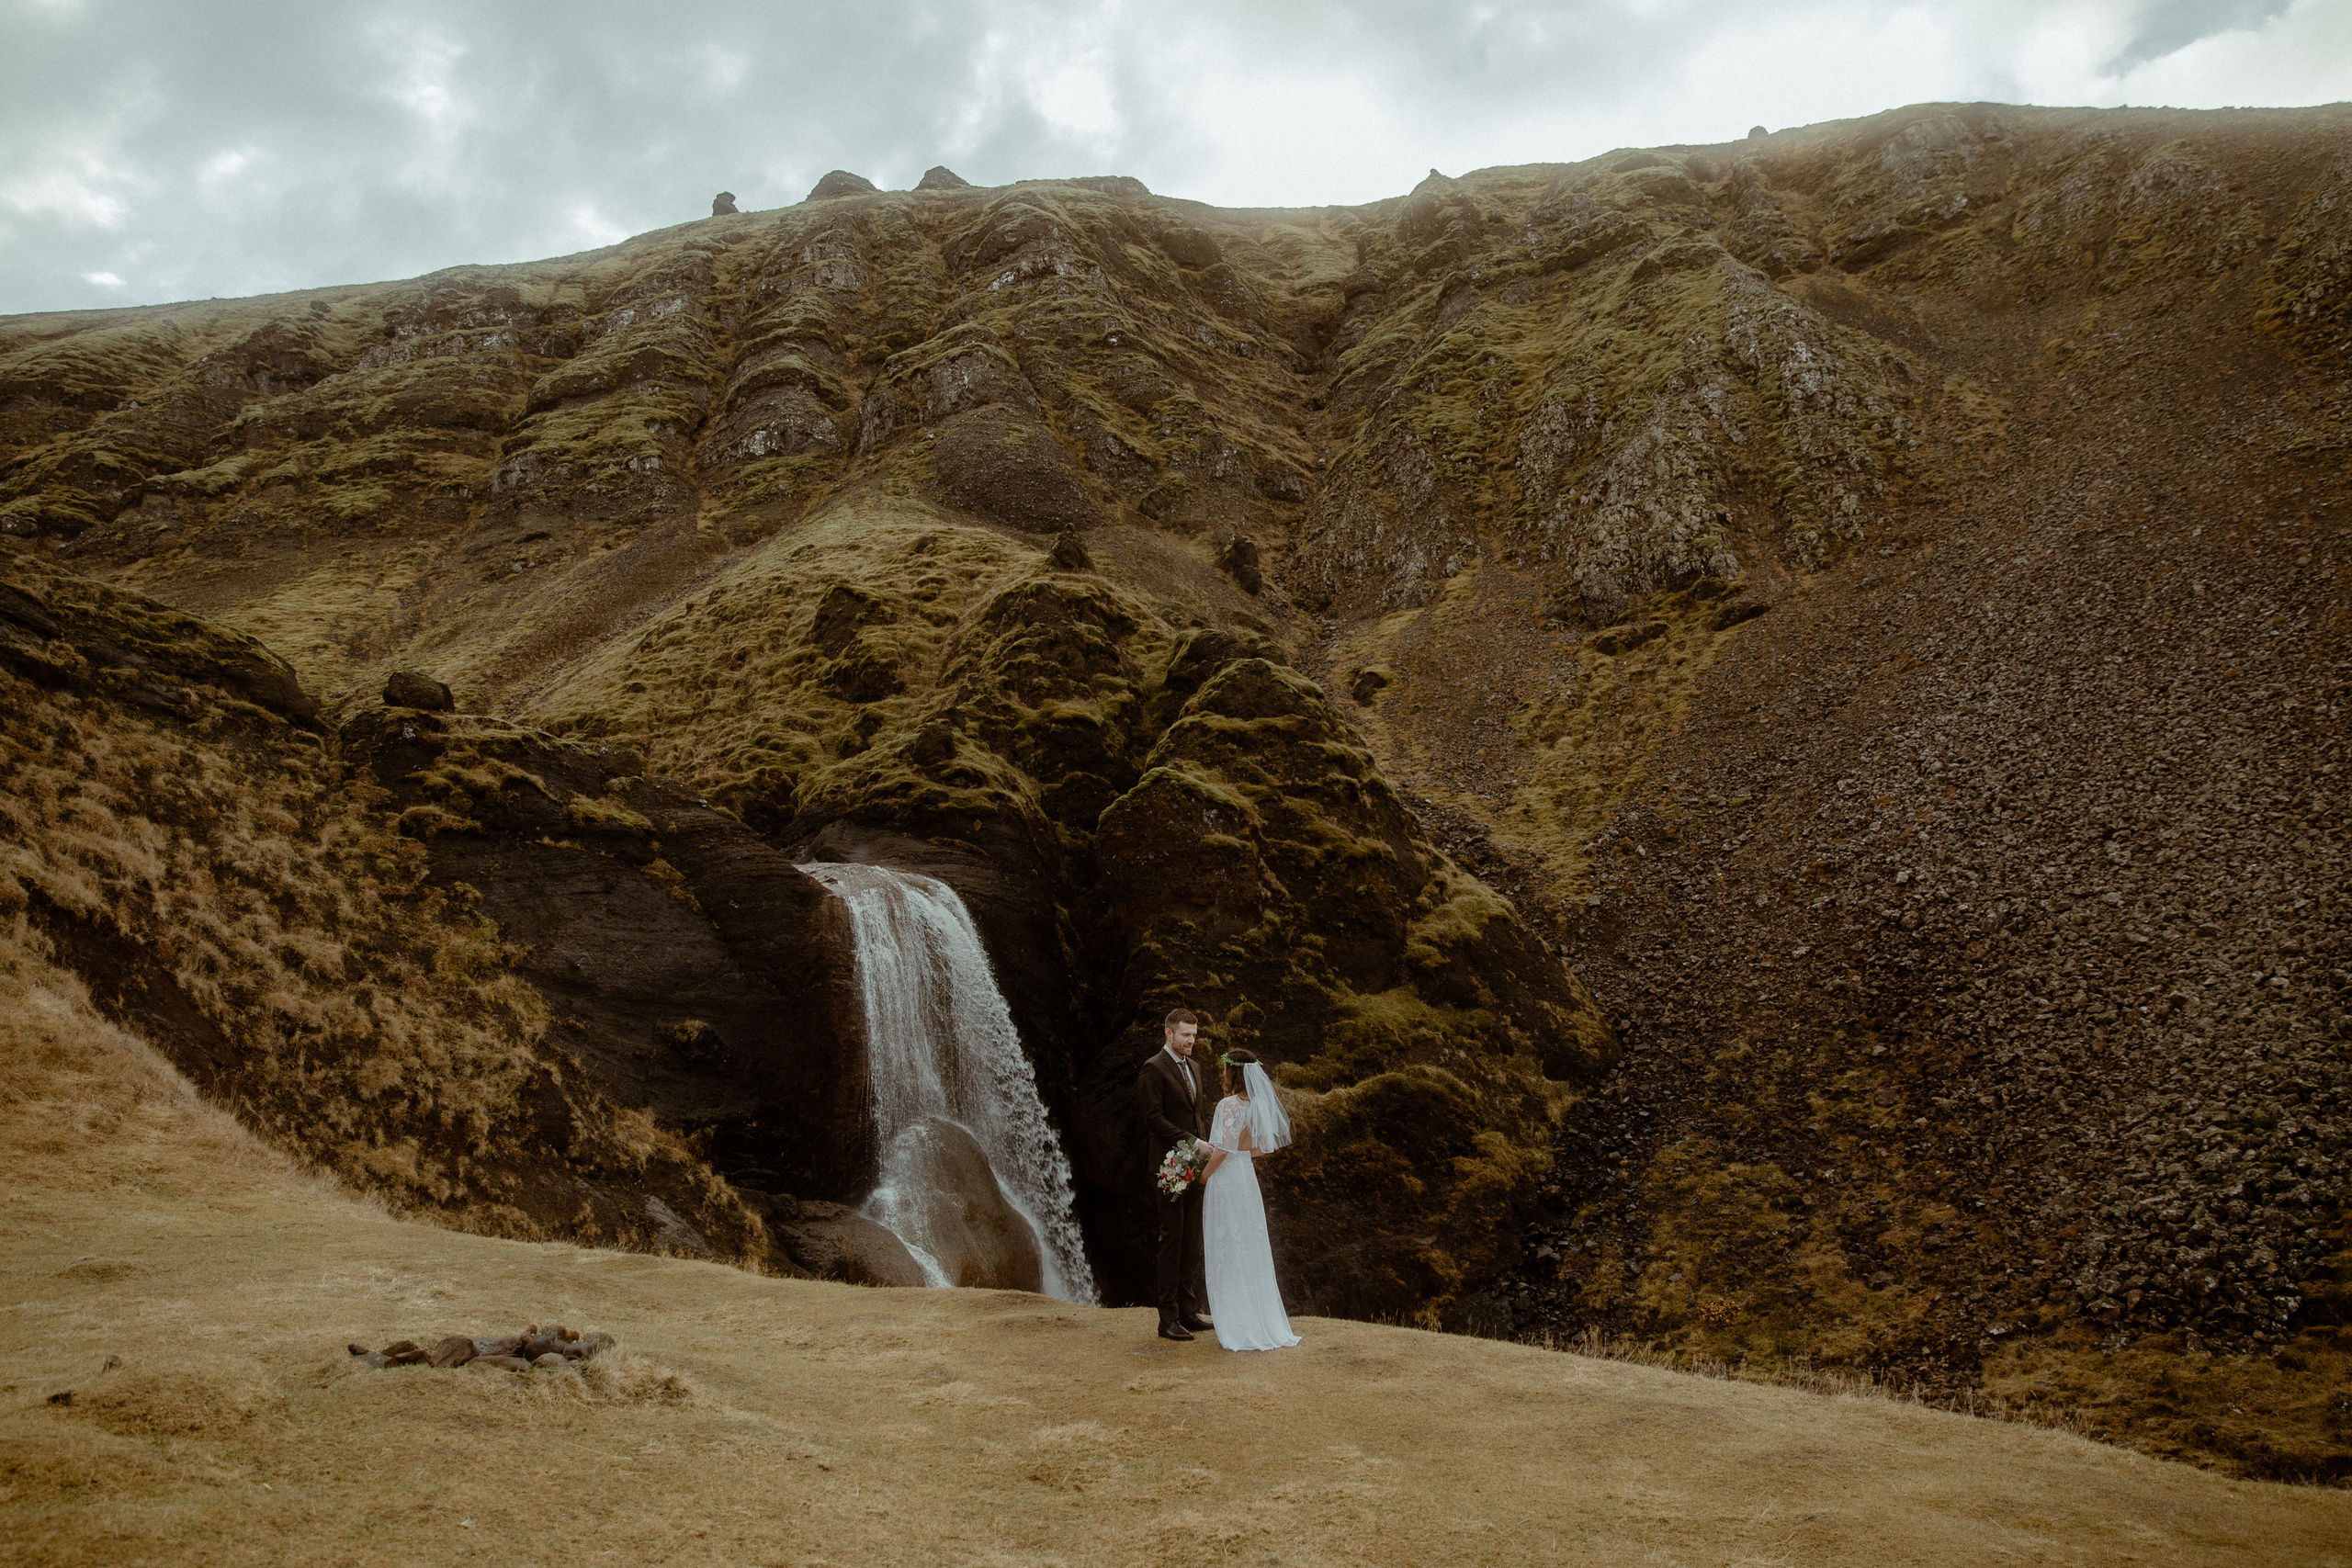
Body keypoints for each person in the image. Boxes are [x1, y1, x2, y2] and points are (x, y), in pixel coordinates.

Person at [1200, 1048, 1300, 1351]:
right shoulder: (1258, 1104)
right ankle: (1256, 1318)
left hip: (1226, 1179)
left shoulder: (1227, 1105)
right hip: (1245, 1177)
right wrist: (1240, 1154)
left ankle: (1236, 1322)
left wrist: (1203, 1177)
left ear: (1233, 1073)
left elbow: (1222, 1150)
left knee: (1227, 1244)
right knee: (1249, 1245)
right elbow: (1262, 1149)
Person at [1135, 1007, 1214, 1340]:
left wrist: (1208, 1143)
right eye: (1185, 1035)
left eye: (1194, 1036)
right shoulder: (1153, 1068)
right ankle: (1167, 1319)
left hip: (1194, 1163)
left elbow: (1196, 1115)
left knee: (1191, 1237)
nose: (1190, 1041)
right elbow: (1153, 1118)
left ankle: (1188, 1309)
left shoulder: (1194, 1067)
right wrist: (1193, 1141)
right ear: (1169, 1033)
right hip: (1167, 1165)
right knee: (1171, 1238)